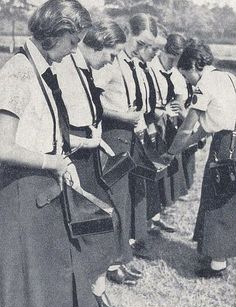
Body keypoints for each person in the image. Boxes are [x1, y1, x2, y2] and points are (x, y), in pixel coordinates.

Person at [0, 1, 105, 307]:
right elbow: (2, 146)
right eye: (73, 43)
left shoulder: (40, 68)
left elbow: (47, 132)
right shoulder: (18, 70)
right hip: (23, 194)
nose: (75, 52)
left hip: (43, 192)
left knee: (49, 289)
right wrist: (53, 162)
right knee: (29, 296)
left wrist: (61, 160)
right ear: (58, 32)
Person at [56, 19, 129, 307]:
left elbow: (89, 112)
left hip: (90, 153)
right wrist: (88, 141)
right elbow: (59, 125)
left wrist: (96, 137)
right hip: (74, 157)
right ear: (98, 44)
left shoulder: (86, 68)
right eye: (112, 54)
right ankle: (83, 295)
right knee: (86, 228)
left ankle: (96, 288)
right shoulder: (64, 68)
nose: (113, 61)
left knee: (104, 224)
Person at [161, 39, 236, 278]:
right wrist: (184, 147)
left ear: (194, 66)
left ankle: (216, 263)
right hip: (229, 140)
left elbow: (187, 127)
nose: (188, 82)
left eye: (186, 76)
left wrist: (171, 152)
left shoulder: (205, 84)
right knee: (229, 201)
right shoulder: (229, 78)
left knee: (217, 202)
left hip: (226, 147)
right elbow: (202, 130)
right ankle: (219, 255)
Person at [94, 13, 160, 266]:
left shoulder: (135, 66)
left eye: (148, 46)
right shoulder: (111, 61)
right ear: (128, 33)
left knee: (132, 195)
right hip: (113, 135)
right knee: (115, 199)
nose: (143, 49)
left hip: (131, 136)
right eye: (140, 43)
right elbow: (93, 102)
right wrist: (122, 116)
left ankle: (125, 251)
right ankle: (112, 261)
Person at [148, 33, 189, 234]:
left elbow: (181, 98)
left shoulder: (175, 74)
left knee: (165, 170)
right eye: (171, 58)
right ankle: (149, 217)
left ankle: (157, 214)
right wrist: (161, 112)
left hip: (167, 126)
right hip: (151, 125)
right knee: (151, 169)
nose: (173, 63)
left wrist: (179, 109)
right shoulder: (150, 68)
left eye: (177, 60)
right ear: (164, 51)